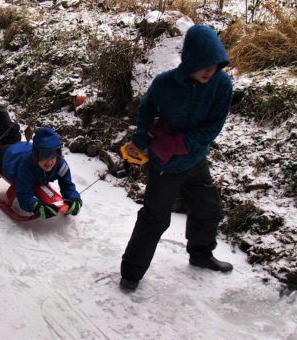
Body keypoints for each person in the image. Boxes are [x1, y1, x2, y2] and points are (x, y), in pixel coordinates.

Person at [120, 24, 234, 291]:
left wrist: (180, 144)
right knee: (155, 218)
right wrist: (141, 137)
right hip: (164, 165)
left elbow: (213, 127)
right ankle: (131, 273)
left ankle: (201, 254)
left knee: (208, 209)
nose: (210, 69)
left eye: (215, 63)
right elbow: (146, 110)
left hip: (194, 159)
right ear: (190, 60)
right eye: (204, 63)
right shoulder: (165, 83)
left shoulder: (221, 84)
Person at [0, 98, 82, 219]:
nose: (49, 161)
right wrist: (36, 206)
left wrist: (74, 198)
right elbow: (24, 195)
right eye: (44, 156)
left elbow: (68, 185)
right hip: (4, 156)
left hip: (18, 147)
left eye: (53, 156)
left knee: (10, 136)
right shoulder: (26, 168)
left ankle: (1, 111)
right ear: (36, 155)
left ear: (59, 155)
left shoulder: (61, 166)